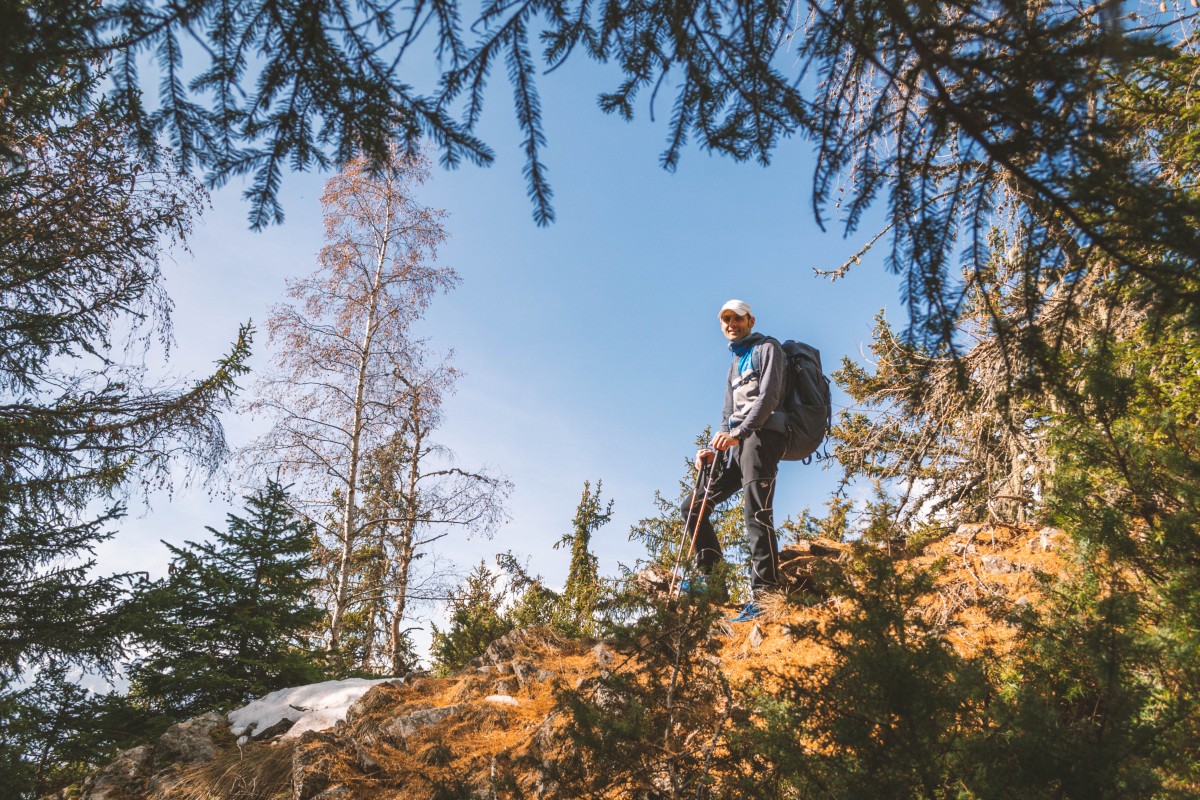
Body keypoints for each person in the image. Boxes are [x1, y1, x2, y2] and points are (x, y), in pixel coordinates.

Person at [681, 299, 787, 623]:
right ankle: (714, 585)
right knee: (693, 506)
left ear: (750, 320)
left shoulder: (768, 349)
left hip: (763, 438)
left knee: (756, 512)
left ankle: (766, 596)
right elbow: (728, 415)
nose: (731, 324)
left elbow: (768, 398)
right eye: (725, 320)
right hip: (738, 444)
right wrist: (716, 448)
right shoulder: (733, 364)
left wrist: (739, 434)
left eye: (737, 318)